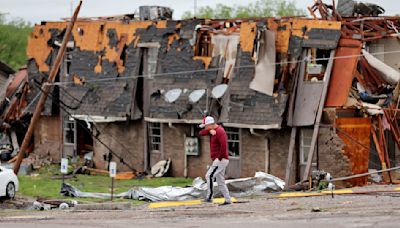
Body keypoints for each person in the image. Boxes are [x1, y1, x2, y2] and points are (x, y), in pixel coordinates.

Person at [199, 116, 231, 206]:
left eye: (206, 126)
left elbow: (224, 146)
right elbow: (201, 133)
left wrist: (219, 158)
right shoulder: (212, 131)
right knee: (220, 181)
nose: (204, 128)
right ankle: (228, 200)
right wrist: (209, 131)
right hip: (219, 159)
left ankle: (209, 197)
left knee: (209, 176)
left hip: (221, 159)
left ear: (209, 125)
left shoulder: (220, 131)